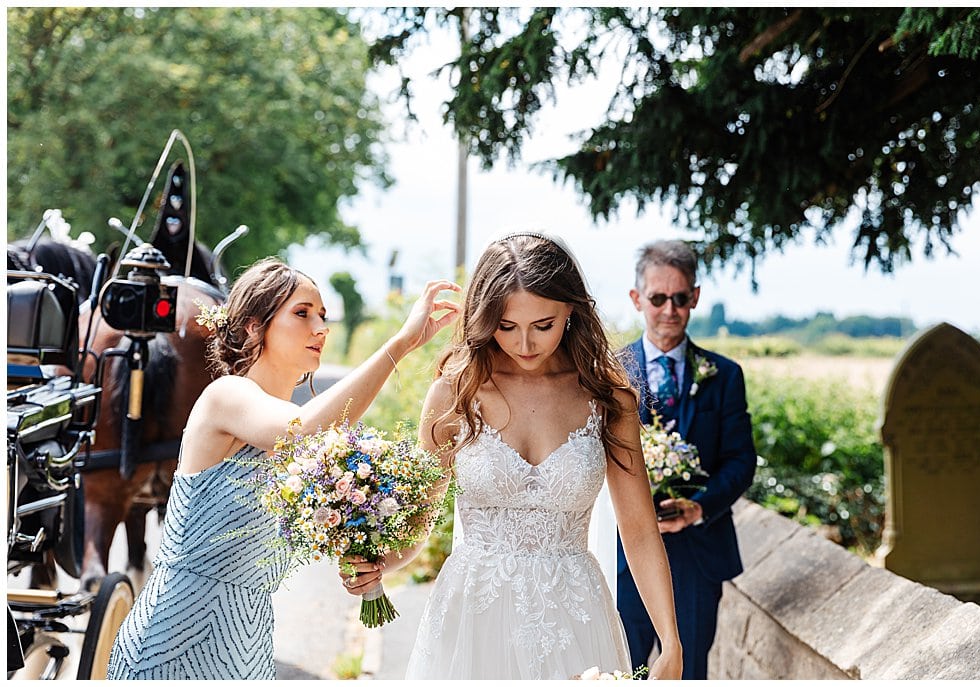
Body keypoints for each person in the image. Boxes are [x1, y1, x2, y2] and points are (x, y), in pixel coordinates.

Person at [343, 232, 683, 680]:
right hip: (471, 618)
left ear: (572, 312)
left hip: (574, 615)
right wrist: (378, 564)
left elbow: (638, 530)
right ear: (486, 319)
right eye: (507, 326)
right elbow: (418, 524)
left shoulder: (608, 399)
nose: (525, 344)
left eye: (543, 325)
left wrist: (670, 640)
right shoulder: (454, 392)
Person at [105, 257, 459, 679]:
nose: (320, 328)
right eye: (302, 313)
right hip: (172, 639)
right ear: (255, 326)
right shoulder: (227, 396)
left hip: (247, 646)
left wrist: (371, 559)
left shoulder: (297, 439)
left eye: (323, 316)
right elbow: (302, 430)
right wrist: (399, 343)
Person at [616, 239, 757, 680]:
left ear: (695, 297)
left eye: (680, 298)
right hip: (623, 559)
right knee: (621, 669)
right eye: (658, 298)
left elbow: (740, 461)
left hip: (698, 555)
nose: (670, 310)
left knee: (691, 672)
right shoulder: (609, 371)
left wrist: (699, 507)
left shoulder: (725, 375)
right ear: (638, 299)